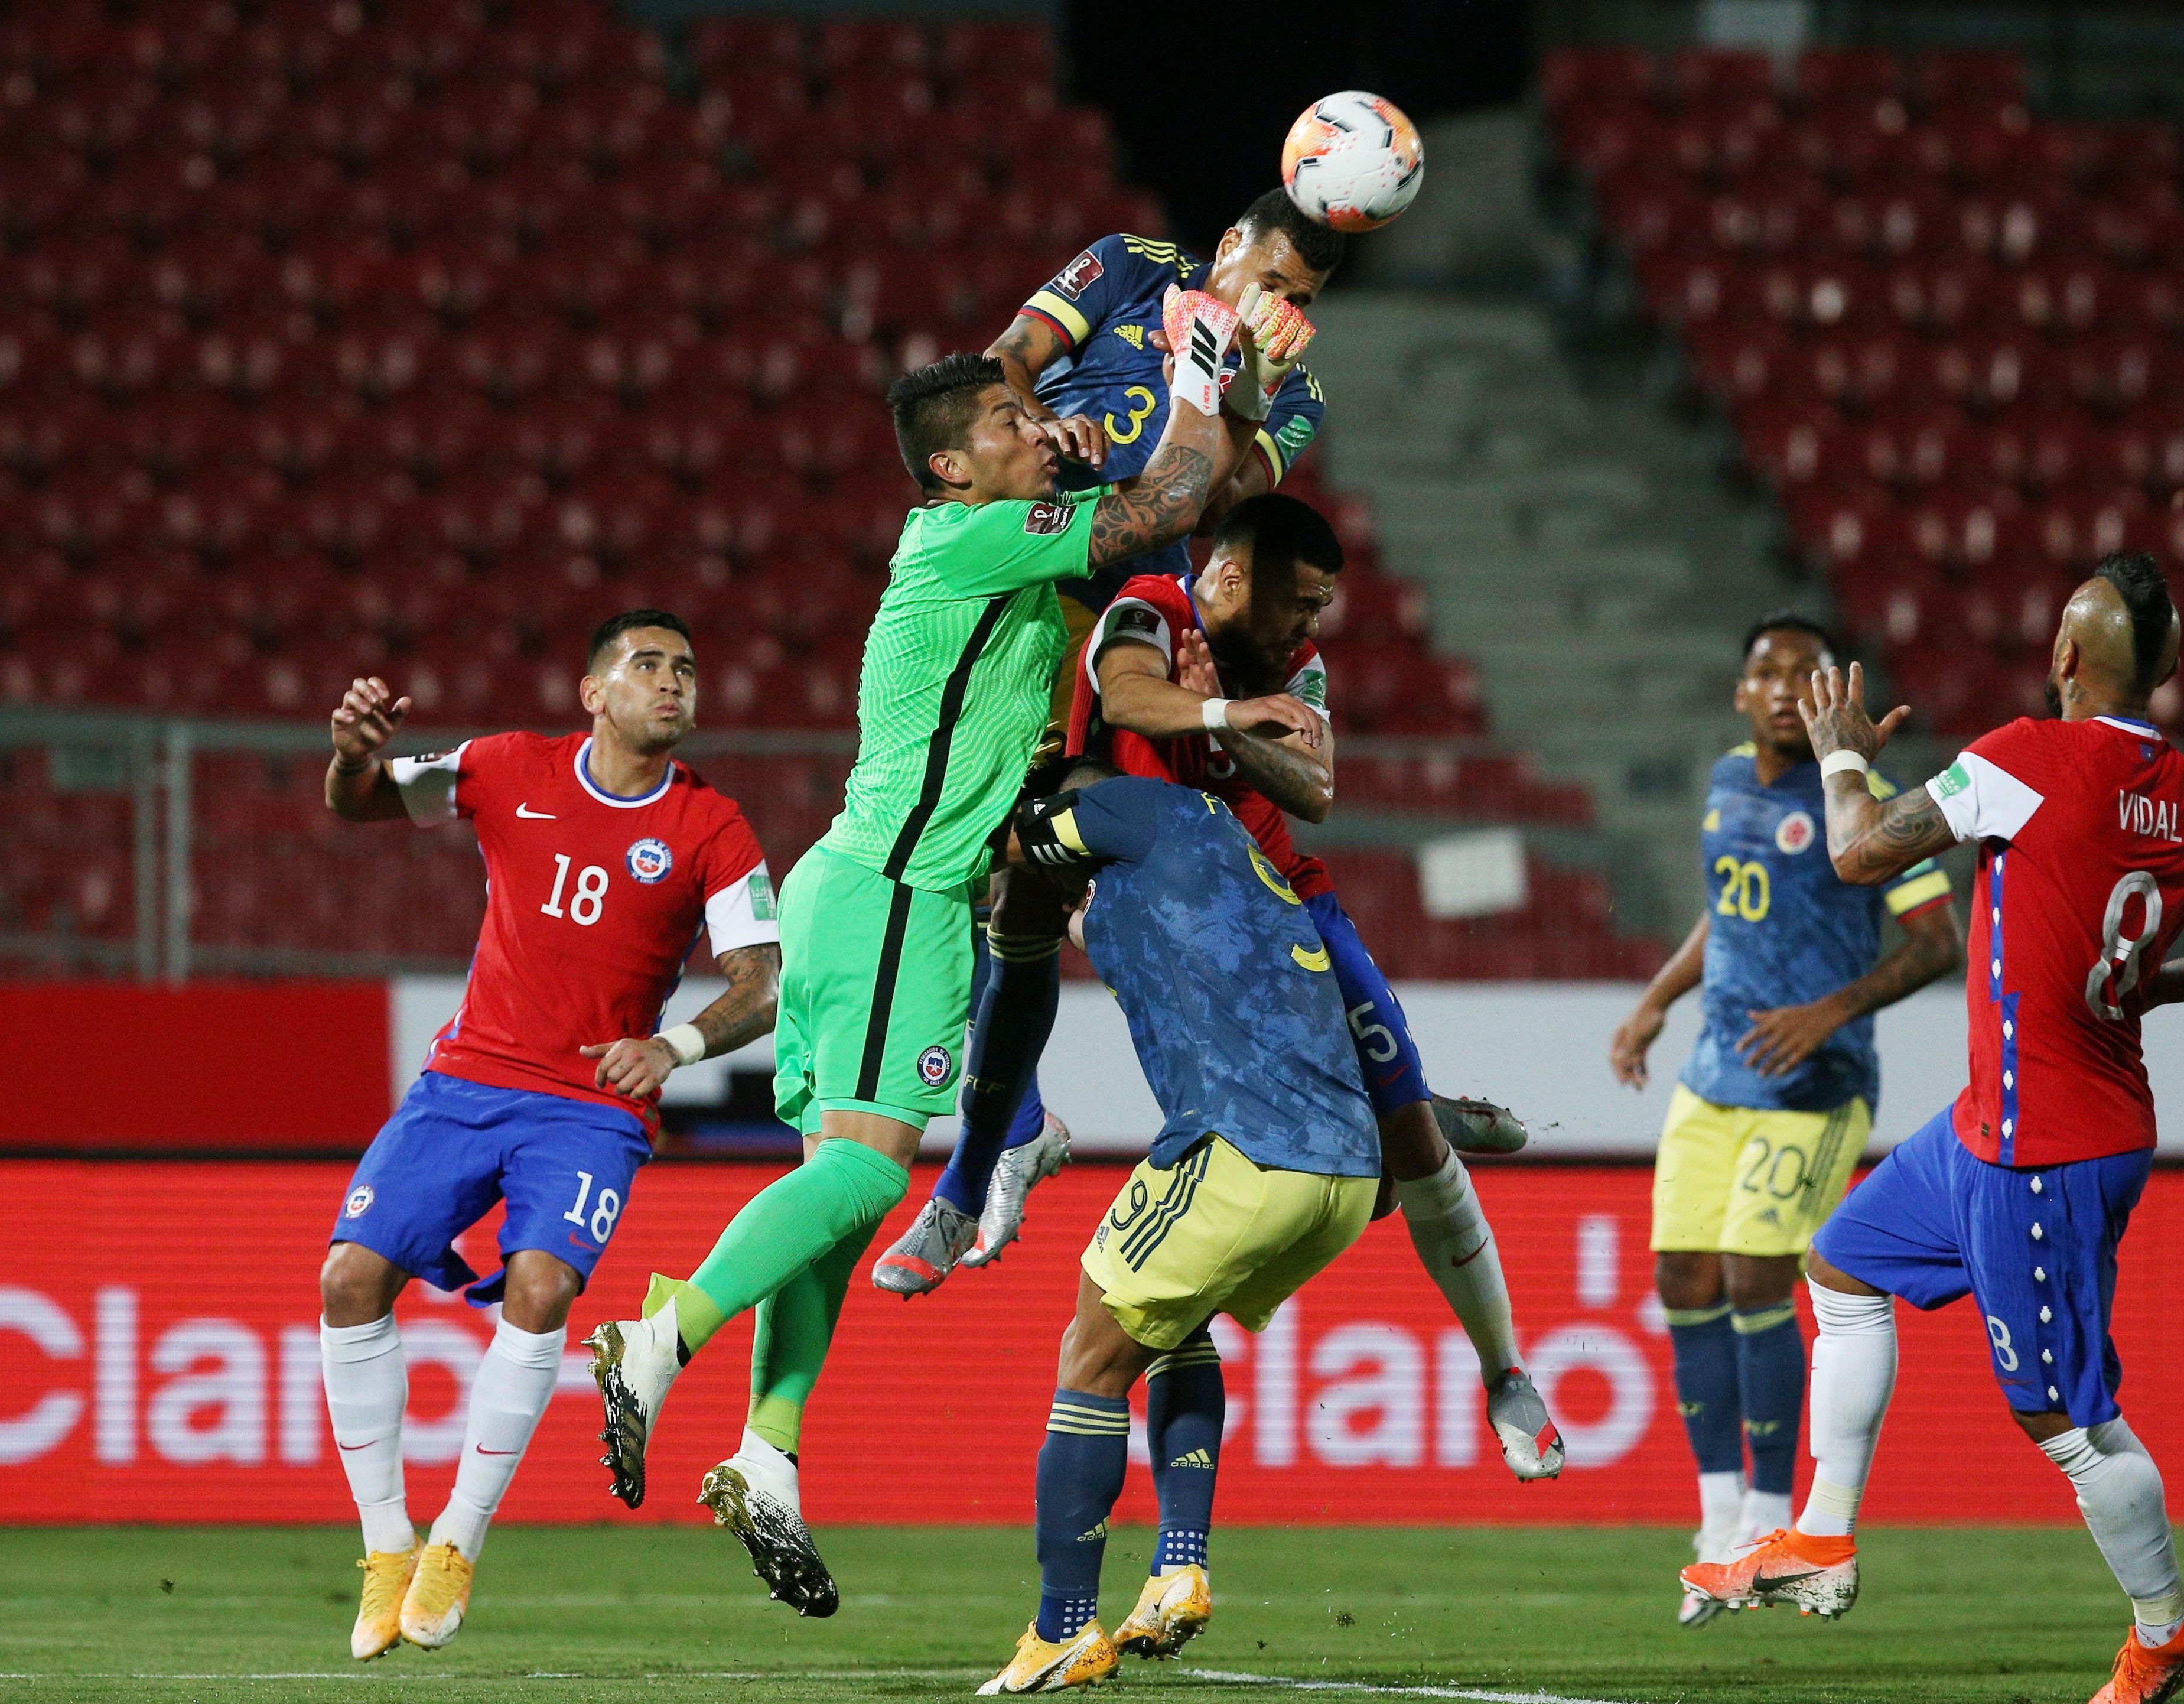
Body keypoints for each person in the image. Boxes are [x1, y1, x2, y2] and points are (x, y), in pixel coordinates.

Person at [587, 310, 1268, 1616]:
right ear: (952, 468)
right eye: (1009, 423)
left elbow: (1153, 522)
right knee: (868, 1170)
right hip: (901, 892)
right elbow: (1166, 499)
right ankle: (661, 1328)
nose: (1035, 427)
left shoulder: (994, 556)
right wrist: (1200, 371)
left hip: (853, 886)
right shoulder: (965, 539)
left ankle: (767, 1453)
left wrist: (1145, 446)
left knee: (831, 1212)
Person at [1683, 554, 2184, 1704]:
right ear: (2166, 667)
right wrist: (2152, 989)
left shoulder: (2021, 757)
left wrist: (1840, 756)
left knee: (2062, 1417)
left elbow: (1859, 851)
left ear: (2067, 657)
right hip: (1998, 1126)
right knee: (1842, 1264)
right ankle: (1821, 1530)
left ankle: (2164, 1628)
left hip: (2047, 1151)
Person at [883, 493, 1560, 1477]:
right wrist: (1224, 711)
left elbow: (1314, 788)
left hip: (1284, 899)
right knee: (1001, 931)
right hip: (1143, 885)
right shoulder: (1152, 605)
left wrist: (1236, 725)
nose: (1311, 627)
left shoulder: (1294, 665)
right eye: (1304, 601)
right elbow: (1122, 695)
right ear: (1234, 577)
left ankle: (1502, 1370)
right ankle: (966, 1183)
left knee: (1406, 1131)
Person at [885, 193, 1353, 1267]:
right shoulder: (1132, 262)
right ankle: (1011, 1134)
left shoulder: (1294, 388)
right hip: (1015, 581)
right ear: (1231, 245)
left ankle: (988, 1158)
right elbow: (1005, 357)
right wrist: (1046, 426)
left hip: (1116, 625)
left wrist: (1252, 382)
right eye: (1275, 282)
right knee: (959, 868)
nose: (1283, 308)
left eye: (1306, 300)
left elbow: (1215, 497)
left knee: (1019, 886)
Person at [317, 610, 781, 1659]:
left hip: (591, 1106)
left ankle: (458, 1538)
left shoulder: (714, 825)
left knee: (542, 1287)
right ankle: (387, 1543)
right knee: (348, 1280)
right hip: (465, 1076)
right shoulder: (502, 766)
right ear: (592, 691)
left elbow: (762, 985)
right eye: (648, 664)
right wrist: (353, 760)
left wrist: (672, 1045)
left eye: (687, 668)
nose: (673, 682)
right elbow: (362, 805)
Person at [977, 761, 1386, 1695]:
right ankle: (1176, 1568)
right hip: (1344, 1172)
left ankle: (1061, 1632)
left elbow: (994, 842)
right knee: (1175, 1325)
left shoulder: (1132, 802)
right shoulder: (1210, 859)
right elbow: (1092, 913)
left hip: (1242, 1149)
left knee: (1088, 1359)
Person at [1610, 614, 1961, 1622]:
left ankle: (1771, 1513)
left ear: (1827, 699)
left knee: (1758, 1274)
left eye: (1802, 672)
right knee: (1681, 1270)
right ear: (1739, 692)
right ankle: (1717, 1513)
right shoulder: (1724, 783)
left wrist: (1826, 1012)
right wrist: (1656, 999)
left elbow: (1935, 940)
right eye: (1762, 668)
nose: (1779, 686)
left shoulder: (1873, 802)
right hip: (1714, 1069)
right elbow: (1726, 909)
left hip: (1815, 1082)